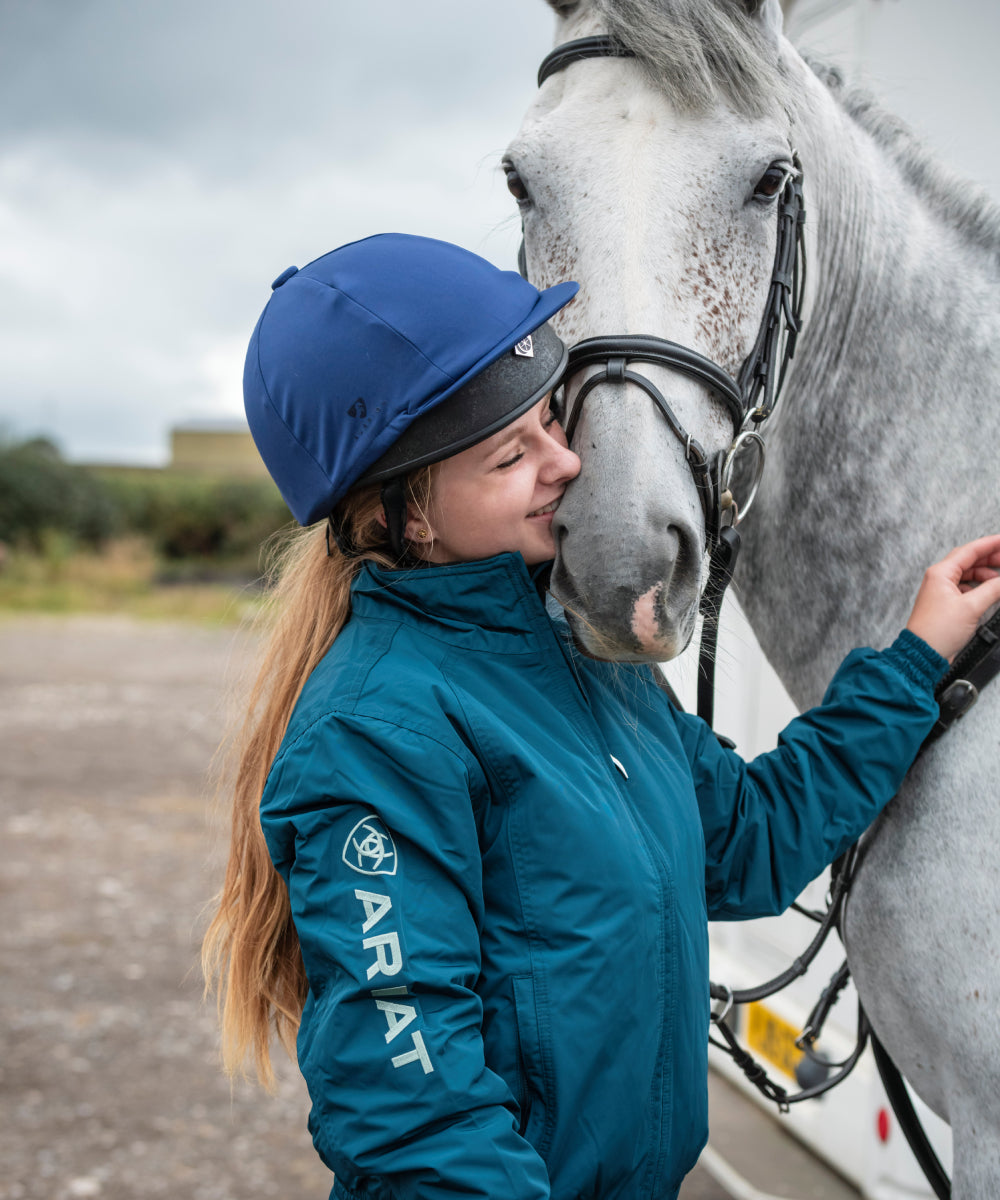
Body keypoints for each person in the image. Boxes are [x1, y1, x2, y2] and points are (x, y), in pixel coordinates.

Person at [202, 232, 1000, 1200]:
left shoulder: (584, 654)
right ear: (397, 518)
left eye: (550, 420)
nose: (566, 462)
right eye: (511, 455)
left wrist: (915, 657)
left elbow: (746, 840)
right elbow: (417, 1118)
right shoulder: (376, 735)